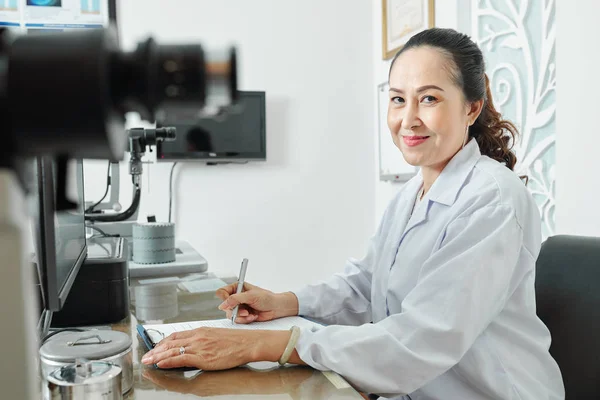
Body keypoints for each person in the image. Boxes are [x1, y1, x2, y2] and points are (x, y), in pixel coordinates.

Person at [141, 28, 565, 399]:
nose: (408, 119)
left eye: (429, 99)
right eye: (398, 99)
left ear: (472, 108)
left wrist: (265, 345)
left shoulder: (493, 199)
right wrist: (283, 303)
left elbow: (422, 338)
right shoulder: (410, 194)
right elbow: (366, 289)